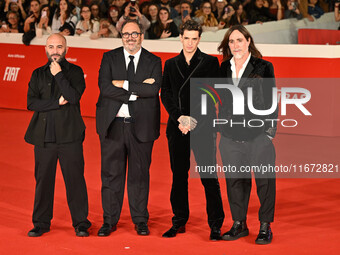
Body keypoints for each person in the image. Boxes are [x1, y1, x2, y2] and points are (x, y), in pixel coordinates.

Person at [96, 19, 162, 237]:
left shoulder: (154, 61)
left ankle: (140, 220)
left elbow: (153, 91)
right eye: (126, 34)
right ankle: (109, 220)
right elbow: (105, 88)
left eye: (134, 34)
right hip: (112, 125)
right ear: (121, 36)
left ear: (141, 36)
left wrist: (122, 84)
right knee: (111, 175)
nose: (130, 38)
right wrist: (137, 90)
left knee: (139, 176)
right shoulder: (109, 57)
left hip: (141, 127)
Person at [161, 20, 225, 241]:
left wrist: (194, 120)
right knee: (179, 176)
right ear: (181, 38)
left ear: (199, 39)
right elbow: (165, 94)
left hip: (203, 127)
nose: (190, 43)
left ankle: (215, 225)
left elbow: (213, 94)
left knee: (209, 176)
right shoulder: (170, 64)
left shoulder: (210, 62)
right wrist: (180, 118)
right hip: (177, 126)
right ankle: (179, 221)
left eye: (194, 38)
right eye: (186, 38)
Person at [25, 34, 91, 237]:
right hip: (44, 138)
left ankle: (81, 223)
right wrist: (55, 103)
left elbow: (72, 97)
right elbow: (31, 103)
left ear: (66, 49)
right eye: (51, 47)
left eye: (59, 47)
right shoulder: (37, 74)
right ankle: (41, 223)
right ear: (45, 49)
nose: (55, 51)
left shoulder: (75, 72)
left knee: (75, 181)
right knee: (43, 181)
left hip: (70, 136)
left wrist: (59, 74)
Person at [217, 25, 277, 245]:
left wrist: (269, 133)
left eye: (239, 40)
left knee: (265, 182)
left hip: (258, 136)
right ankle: (239, 224)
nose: (235, 45)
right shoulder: (223, 68)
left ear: (248, 41)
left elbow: (272, 101)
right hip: (230, 137)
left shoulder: (263, 67)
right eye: (231, 42)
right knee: (235, 182)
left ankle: (264, 226)